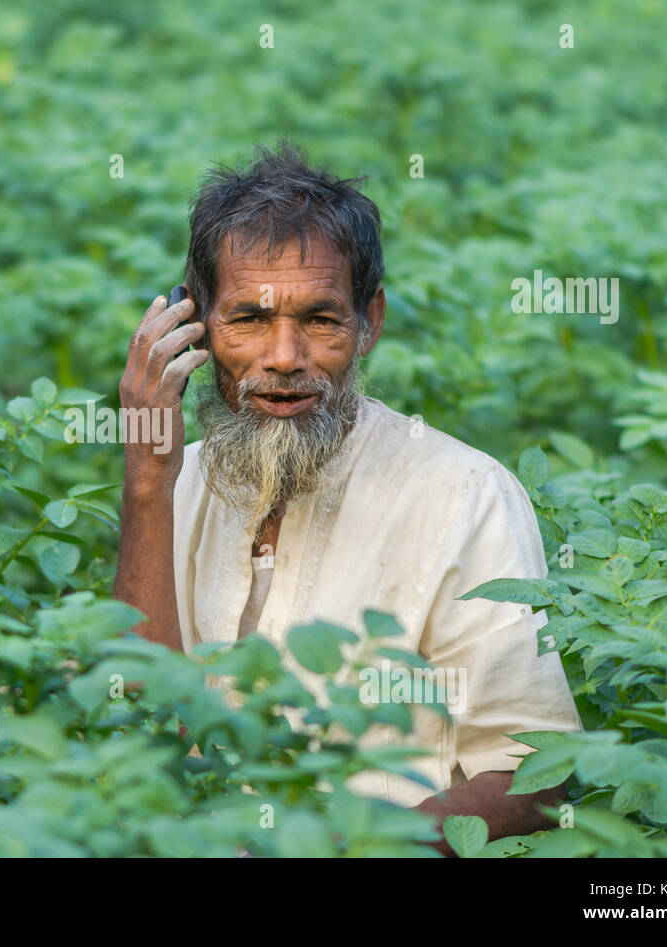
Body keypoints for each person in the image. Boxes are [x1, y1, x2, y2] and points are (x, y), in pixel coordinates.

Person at [113, 141, 582, 855]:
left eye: (320, 320)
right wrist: (147, 483)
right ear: (196, 325)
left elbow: (535, 775)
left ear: (370, 324)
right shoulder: (173, 483)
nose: (283, 357)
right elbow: (130, 729)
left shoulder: (462, 495)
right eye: (248, 319)